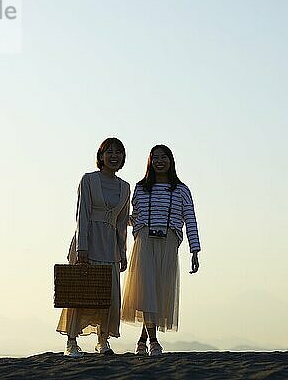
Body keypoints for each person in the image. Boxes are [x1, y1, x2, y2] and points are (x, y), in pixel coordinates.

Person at [121, 144, 201, 356]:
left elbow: (190, 218)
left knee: (157, 291)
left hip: (169, 240)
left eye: (163, 157)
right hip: (145, 240)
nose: (159, 161)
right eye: (155, 157)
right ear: (149, 161)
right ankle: (153, 341)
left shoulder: (182, 190)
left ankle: (141, 340)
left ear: (171, 160)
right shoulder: (140, 187)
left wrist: (195, 249)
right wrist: (115, 219)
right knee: (146, 289)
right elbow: (133, 216)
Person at [56, 137, 131, 357]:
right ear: (101, 156)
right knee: (79, 293)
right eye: (109, 151)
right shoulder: (89, 180)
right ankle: (71, 342)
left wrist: (122, 252)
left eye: (118, 152)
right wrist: (82, 249)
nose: (114, 156)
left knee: (108, 297)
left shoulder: (125, 187)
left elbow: (121, 223)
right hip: (87, 241)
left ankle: (103, 340)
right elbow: (82, 215)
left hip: (110, 247)